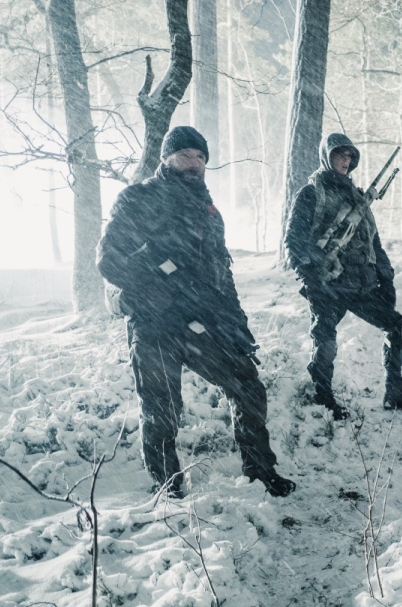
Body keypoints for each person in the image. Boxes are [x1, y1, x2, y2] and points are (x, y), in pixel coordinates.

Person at [97, 126, 295, 499]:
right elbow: (110, 260)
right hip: (155, 324)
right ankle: (169, 490)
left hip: (201, 322)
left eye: (201, 157)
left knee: (248, 386)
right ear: (167, 158)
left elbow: (222, 272)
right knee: (162, 410)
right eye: (185, 155)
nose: (194, 163)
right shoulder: (139, 199)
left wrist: (237, 327)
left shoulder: (208, 210)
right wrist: (156, 290)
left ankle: (260, 470)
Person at [284, 133, 402, 419]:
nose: (345, 160)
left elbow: (373, 241)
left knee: (396, 326)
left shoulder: (358, 197)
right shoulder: (312, 193)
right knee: (325, 340)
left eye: (350, 156)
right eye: (340, 154)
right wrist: (309, 278)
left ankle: (394, 391)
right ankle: (324, 399)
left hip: (362, 285)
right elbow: (293, 240)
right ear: (327, 156)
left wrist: (386, 278)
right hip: (328, 283)